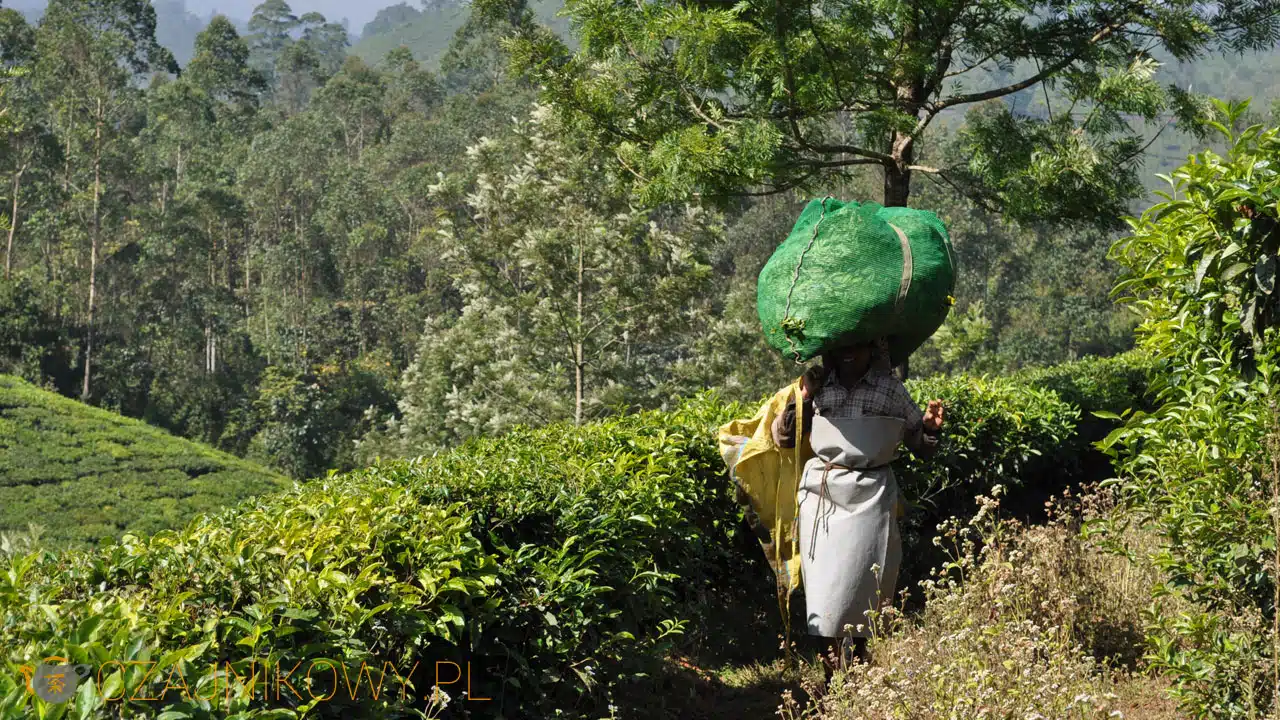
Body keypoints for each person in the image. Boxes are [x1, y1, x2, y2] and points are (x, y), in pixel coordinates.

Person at [771, 336, 944, 684]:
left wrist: (928, 429)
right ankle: (832, 671)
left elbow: (919, 446)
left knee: (865, 580)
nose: (848, 353)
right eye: (840, 346)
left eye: (857, 345)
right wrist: (802, 398)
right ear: (829, 350)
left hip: (871, 495)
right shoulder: (816, 387)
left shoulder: (890, 390)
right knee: (821, 584)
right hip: (822, 494)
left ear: (873, 349)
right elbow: (785, 438)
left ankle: (860, 662)